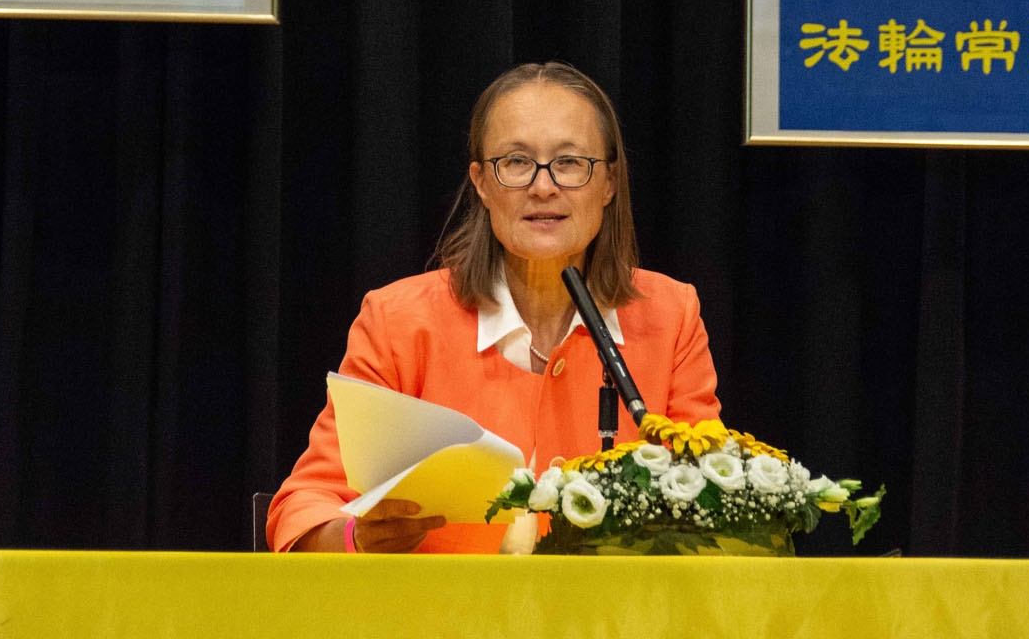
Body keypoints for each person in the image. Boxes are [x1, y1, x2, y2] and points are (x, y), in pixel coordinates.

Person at [266, 62, 721, 553]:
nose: (543, 186)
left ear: (609, 181)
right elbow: (302, 511)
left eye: (569, 162)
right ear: (481, 182)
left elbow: (720, 503)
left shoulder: (670, 316)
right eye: (517, 162)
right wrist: (359, 538)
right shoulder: (398, 321)